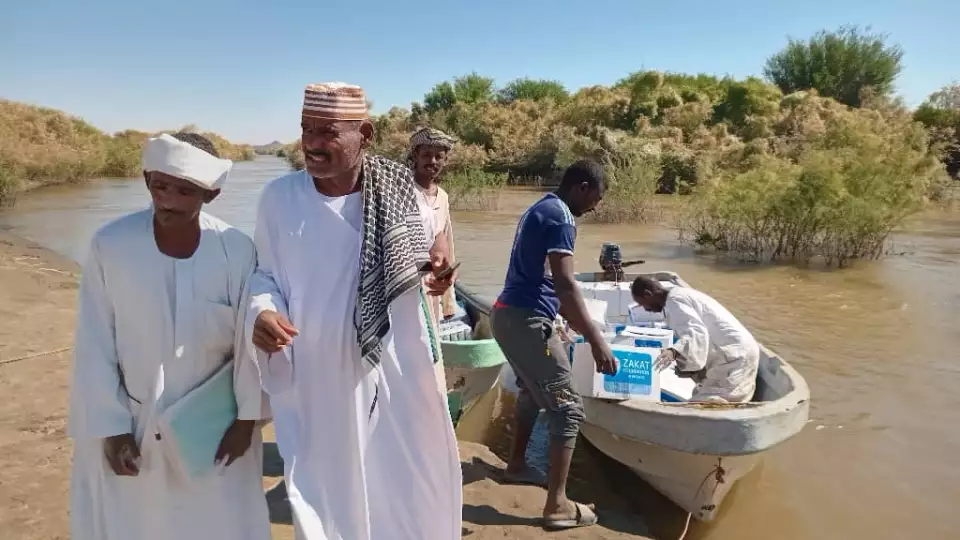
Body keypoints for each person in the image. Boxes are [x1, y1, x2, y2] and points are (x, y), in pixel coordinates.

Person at [245, 82, 462, 540]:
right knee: (323, 492)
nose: (311, 143)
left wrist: (436, 277)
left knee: (405, 484)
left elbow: (419, 262)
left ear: (364, 134)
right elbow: (263, 276)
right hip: (317, 379)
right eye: (306, 129)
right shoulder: (279, 200)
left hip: (395, 368)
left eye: (327, 132)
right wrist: (260, 313)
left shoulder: (400, 191)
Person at [67, 132, 270, 540]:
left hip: (216, 430)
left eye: (184, 190)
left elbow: (249, 346)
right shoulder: (111, 245)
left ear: (209, 195)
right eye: (159, 186)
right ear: (146, 181)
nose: (168, 200)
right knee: (138, 522)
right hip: (135, 423)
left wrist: (247, 421)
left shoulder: (236, 250)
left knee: (222, 522)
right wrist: (111, 426)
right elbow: (95, 341)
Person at [490, 159, 617, 531]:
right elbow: (564, 284)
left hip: (508, 315)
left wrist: (559, 320)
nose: (595, 206)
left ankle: (516, 466)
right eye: (596, 196)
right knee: (568, 410)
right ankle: (558, 505)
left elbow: (543, 280)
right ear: (582, 187)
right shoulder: (561, 217)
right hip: (527, 321)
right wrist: (596, 340)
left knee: (531, 391)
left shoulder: (541, 207)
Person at [630, 276, 760, 403]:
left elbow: (696, 332)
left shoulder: (675, 301)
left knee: (709, 404)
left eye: (642, 303)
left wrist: (674, 352)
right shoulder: (678, 295)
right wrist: (692, 369)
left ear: (648, 294)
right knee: (706, 397)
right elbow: (700, 335)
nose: (646, 309)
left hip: (734, 357)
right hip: (736, 351)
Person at [409, 127, 458, 394]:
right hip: (408, 282)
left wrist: (448, 281)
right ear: (415, 155)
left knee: (431, 341)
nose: (433, 162)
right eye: (427, 154)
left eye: (439, 156)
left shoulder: (443, 197)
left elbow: (447, 240)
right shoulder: (403, 192)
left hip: (432, 283)